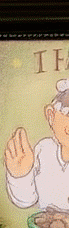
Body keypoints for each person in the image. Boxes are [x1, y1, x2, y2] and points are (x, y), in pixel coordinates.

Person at [4, 78, 69, 211]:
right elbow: (26, 200)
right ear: (51, 116)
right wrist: (20, 175)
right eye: (67, 114)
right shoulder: (44, 150)